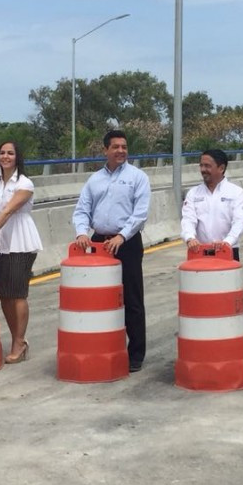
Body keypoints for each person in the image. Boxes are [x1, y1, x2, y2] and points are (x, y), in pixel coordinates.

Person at [72, 130, 151, 373]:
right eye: (115, 147)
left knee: (132, 299)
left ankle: (135, 354)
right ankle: (103, 346)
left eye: (124, 147)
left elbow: (140, 214)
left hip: (126, 243)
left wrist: (121, 236)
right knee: (100, 299)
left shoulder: (138, 177)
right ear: (105, 150)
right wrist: (82, 232)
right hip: (98, 243)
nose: (120, 151)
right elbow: (82, 210)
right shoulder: (94, 180)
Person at [0, 141, 42, 364]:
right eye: (2, 153)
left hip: (20, 239)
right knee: (4, 293)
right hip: (1, 242)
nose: (5, 156)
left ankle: (19, 342)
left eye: (10, 153)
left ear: (17, 157)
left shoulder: (25, 183)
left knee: (17, 293)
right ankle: (17, 340)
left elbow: (7, 212)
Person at [180, 149, 243, 262]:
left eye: (207, 166)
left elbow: (240, 222)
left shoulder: (236, 192)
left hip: (227, 251)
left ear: (221, 168)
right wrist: (190, 238)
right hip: (200, 252)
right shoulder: (193, 193)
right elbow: (188, 219)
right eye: (201, 165)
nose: (203, 170)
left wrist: (227, 242)